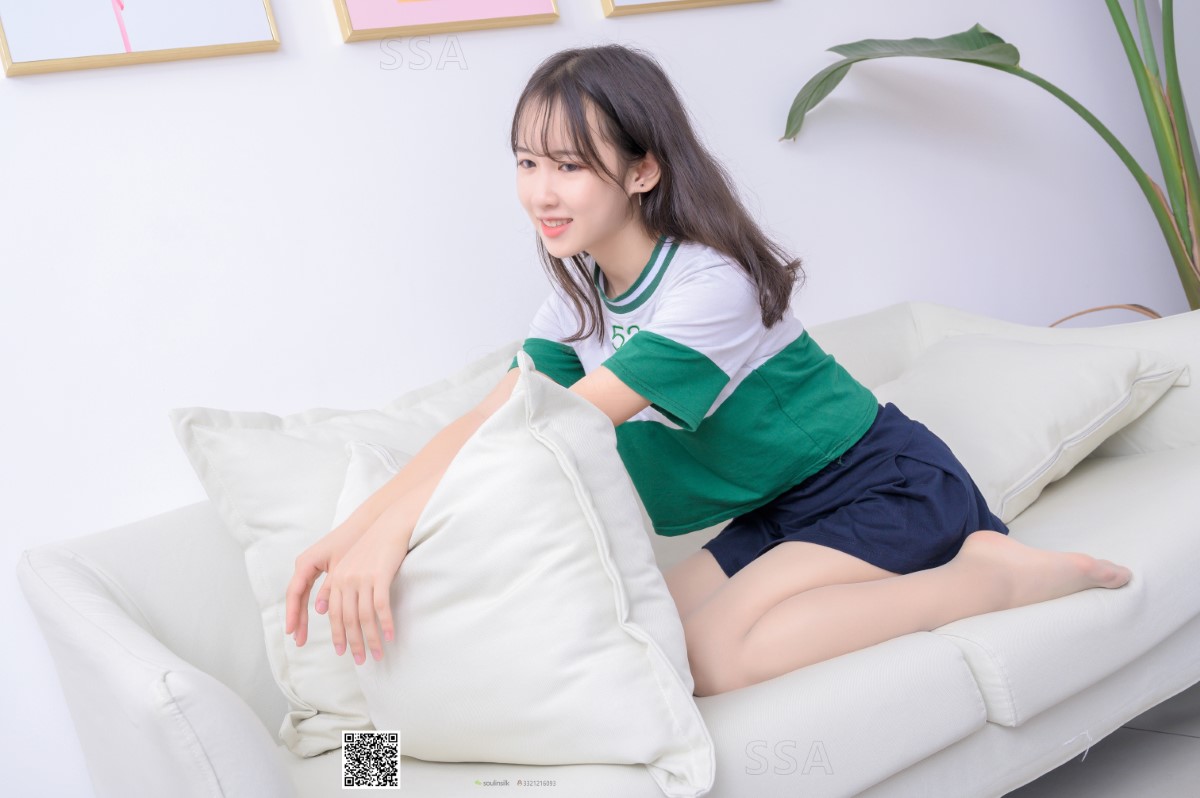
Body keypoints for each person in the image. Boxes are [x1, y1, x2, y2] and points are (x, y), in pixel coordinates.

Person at [285, 44, 1132, 697]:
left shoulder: (709, 286)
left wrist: (395, 535)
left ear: (643, 169)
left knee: (712, 658)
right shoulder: (577, 303)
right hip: (779, 514)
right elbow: (489, 418)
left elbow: (551, 428)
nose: (541, 192)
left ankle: (991, 578)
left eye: (569, 165)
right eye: (527, 162)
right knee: (642, 635)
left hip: (884, 488)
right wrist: (355, 533)